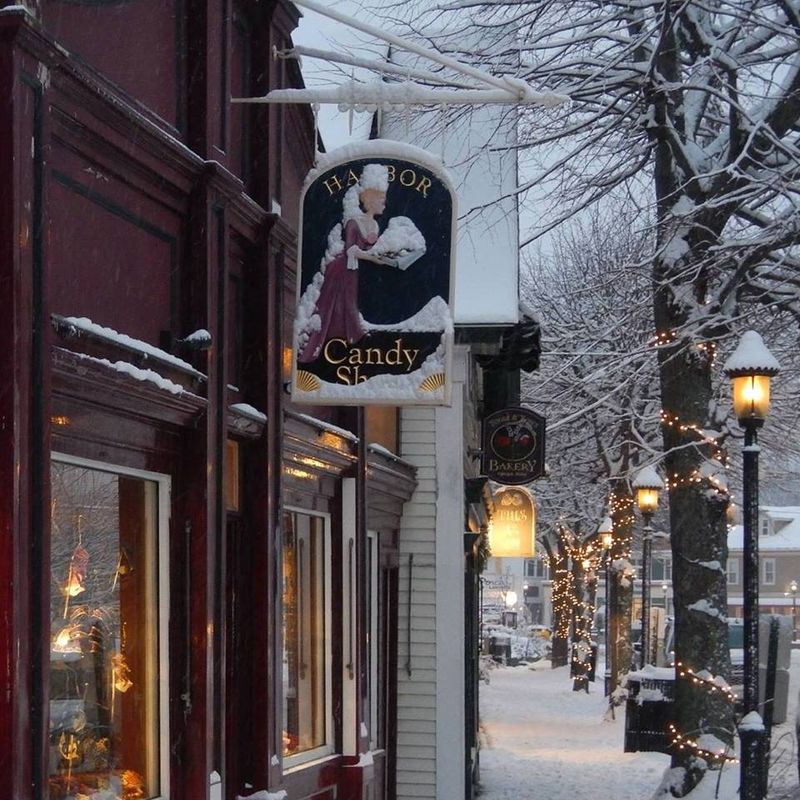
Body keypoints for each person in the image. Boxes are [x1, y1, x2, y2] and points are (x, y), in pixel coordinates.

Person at [297, 164, 389, 364]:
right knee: (338, 304)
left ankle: (351, 336)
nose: (385, 203)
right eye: (381, 199)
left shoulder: (375, 224)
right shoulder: (353, 222)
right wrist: (373, 258)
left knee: (350, 301)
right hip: (341, 269)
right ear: (370, 199)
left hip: (355, 271)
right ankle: (342, 337)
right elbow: (351, 250)